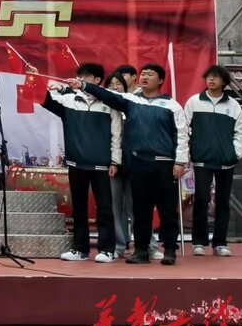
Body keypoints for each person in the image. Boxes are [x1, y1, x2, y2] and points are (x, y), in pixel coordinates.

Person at [71, 64, 186, 266]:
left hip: (164, 165)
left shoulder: (172, 105)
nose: (145, 76)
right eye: (143, 74)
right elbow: (107, 95)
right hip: (138, 163)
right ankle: (141, 250)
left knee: (167, 210)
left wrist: (180, 162)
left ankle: (169, 249)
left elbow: (182, 135)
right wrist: (83, 86)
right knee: (140, 210)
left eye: (150, 74)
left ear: (160, 80)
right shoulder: (131, 100)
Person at [35, 63, 121, 263]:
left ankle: (107, 250)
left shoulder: (109, 103)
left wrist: (115, 161)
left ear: (97, 80)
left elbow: (117, 135)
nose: (80, 80)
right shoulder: (69, 100)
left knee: (105, 209)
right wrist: (36, 78)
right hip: (76, 164)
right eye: (79, 76)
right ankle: (80, 249)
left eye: (85, 77)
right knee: (79, 209)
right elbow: (44, 100)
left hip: (102, 165)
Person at [181, 65, 242, 257]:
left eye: (215, 77)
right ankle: (198, 242)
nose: (211, 80)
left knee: (222, 202)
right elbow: (184, 129)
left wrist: (235, 154)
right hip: (202, 160)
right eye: (209, 76)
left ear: (224, 82)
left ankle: (220, 243)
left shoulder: (233, 105)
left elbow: (240, 133)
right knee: (201, 199)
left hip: (226, 161)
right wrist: (189, 152)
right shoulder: (194, 102)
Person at [105, 72, 134, 257]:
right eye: (111, 84)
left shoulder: (134, 104)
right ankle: (119, 246)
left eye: (118, 84)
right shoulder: (104, 107)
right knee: (115, 207)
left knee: (135, 206)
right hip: (113, 164)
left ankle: (146, 245)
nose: (115, 87)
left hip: (134, 163)